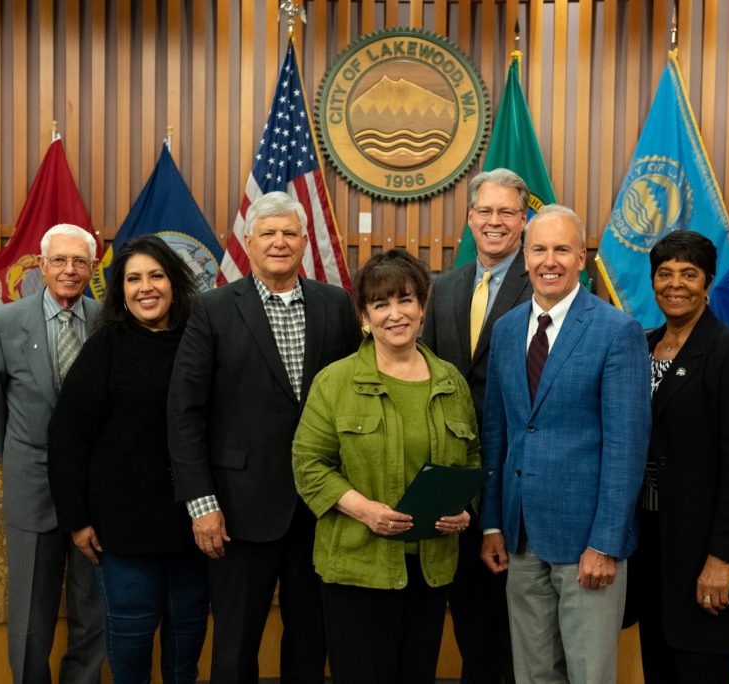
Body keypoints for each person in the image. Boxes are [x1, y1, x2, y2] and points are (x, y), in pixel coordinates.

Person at [167, 191, 362, 683]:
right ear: (248, 242)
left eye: (289, 233)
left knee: (311, 640)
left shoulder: (335, 304)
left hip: (321, 508)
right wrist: (201, 504)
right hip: (237, 509)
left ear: (303, 242)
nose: (279, 242)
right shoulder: (211, 309)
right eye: (268, 234)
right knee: (234, 647)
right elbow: (184, 414)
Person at [293, 248, 481, 684]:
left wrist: (464, 508)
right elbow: (308, 463)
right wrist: (366, 511)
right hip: (357, 567)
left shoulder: (451, 381)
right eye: (380, 304)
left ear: (422, 309)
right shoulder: (335, 382)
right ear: (363, 316)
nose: (395, 314)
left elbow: (471, 458)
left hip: (430, 568)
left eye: (405, 300)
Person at [479, 205, 651, 684]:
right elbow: (498, 432)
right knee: (533, 675)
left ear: (581, 257)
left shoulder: (617, 331)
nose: (548, 261)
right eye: (538, 249)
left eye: (561, 249)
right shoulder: (508, 328)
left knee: (589, 675)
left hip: (586, 545)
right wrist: (492, 522)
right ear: (524, 255)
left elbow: (626, 447)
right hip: (519, 537)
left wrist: (606, 542)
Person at [46, 235, 209, 683]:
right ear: (120, 291)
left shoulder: (201, 339)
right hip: (122, 533)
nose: (146, 287)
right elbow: (67, 437)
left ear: (175, 282)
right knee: (131, 654)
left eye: (156, 275)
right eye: (133, 278)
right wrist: (77, 519)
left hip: (194, 527)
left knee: (185, 653)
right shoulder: (106, 347)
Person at [632, 230, 729, 683]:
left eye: (688, 274)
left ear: (707, 282)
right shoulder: (639, 347)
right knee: (658, 661)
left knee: (700, 668)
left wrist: (721, 558)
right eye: (665, 273)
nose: (676, 284)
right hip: (649, 541)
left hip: (702, 547)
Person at [0, 223, 106, 684]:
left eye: (80, 262)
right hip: (33, 489)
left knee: (95, 610)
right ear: (42, 266)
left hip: (96, 493)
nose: (70, 270)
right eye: (60, 261)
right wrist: (23, 459)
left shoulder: (110, 322)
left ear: (93, 268)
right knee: (32, 610)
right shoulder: (2, 323)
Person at [422, 168, 532, 683]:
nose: (494, 222)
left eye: (506, 212)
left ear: (524, 219)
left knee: (515, 627)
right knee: (468, 616)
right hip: (452, 478)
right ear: (469, 218)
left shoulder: (544, 281)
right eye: (485, 211)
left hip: (517, 476)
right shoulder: (444, 286)